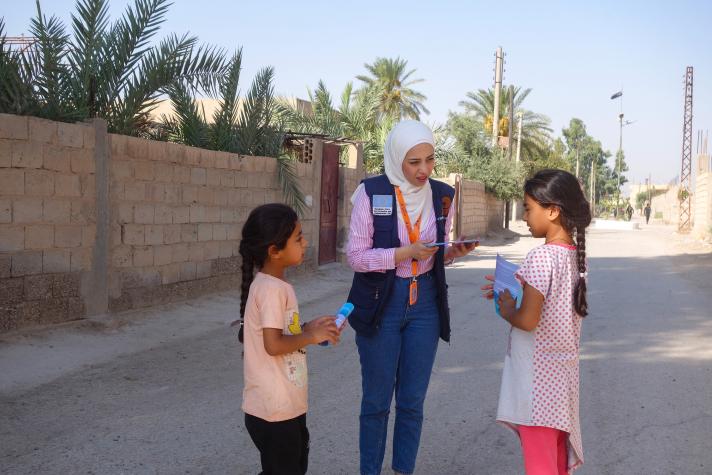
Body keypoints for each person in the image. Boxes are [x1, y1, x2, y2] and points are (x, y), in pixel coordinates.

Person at [346, 120, 476, 475]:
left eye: (429, 160)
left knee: (413, 401)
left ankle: (404, 469)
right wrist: (404, 253)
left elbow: (434, 251)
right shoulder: (370, 193)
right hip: (381, 302)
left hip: (426, 305)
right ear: (395, 159)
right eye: (413, 162)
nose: (423, 170)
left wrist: (452, 252)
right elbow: (356, 257)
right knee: (376, 401)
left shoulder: (442, 194)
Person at [481, 169, 592, 474]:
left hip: (536, 389)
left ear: (553, 211)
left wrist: (506, 309)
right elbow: (549, 304)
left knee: (540, 468)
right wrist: (515, 289)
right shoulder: (572, 255)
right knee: (554, 464)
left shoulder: (541, 257)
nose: (525, 216)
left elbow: (528, 320)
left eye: (529, 208)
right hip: (559, 385)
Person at [238, 203, 342, 475]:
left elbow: (278, 332)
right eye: (298, 238)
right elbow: (273, 345)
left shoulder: (272, 285)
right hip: (274, 410)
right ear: (274, 251)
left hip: (283, 405)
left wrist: (308, 327)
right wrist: (308, 336)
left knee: (290, 466)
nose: (305, 242)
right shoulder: (272, 289)